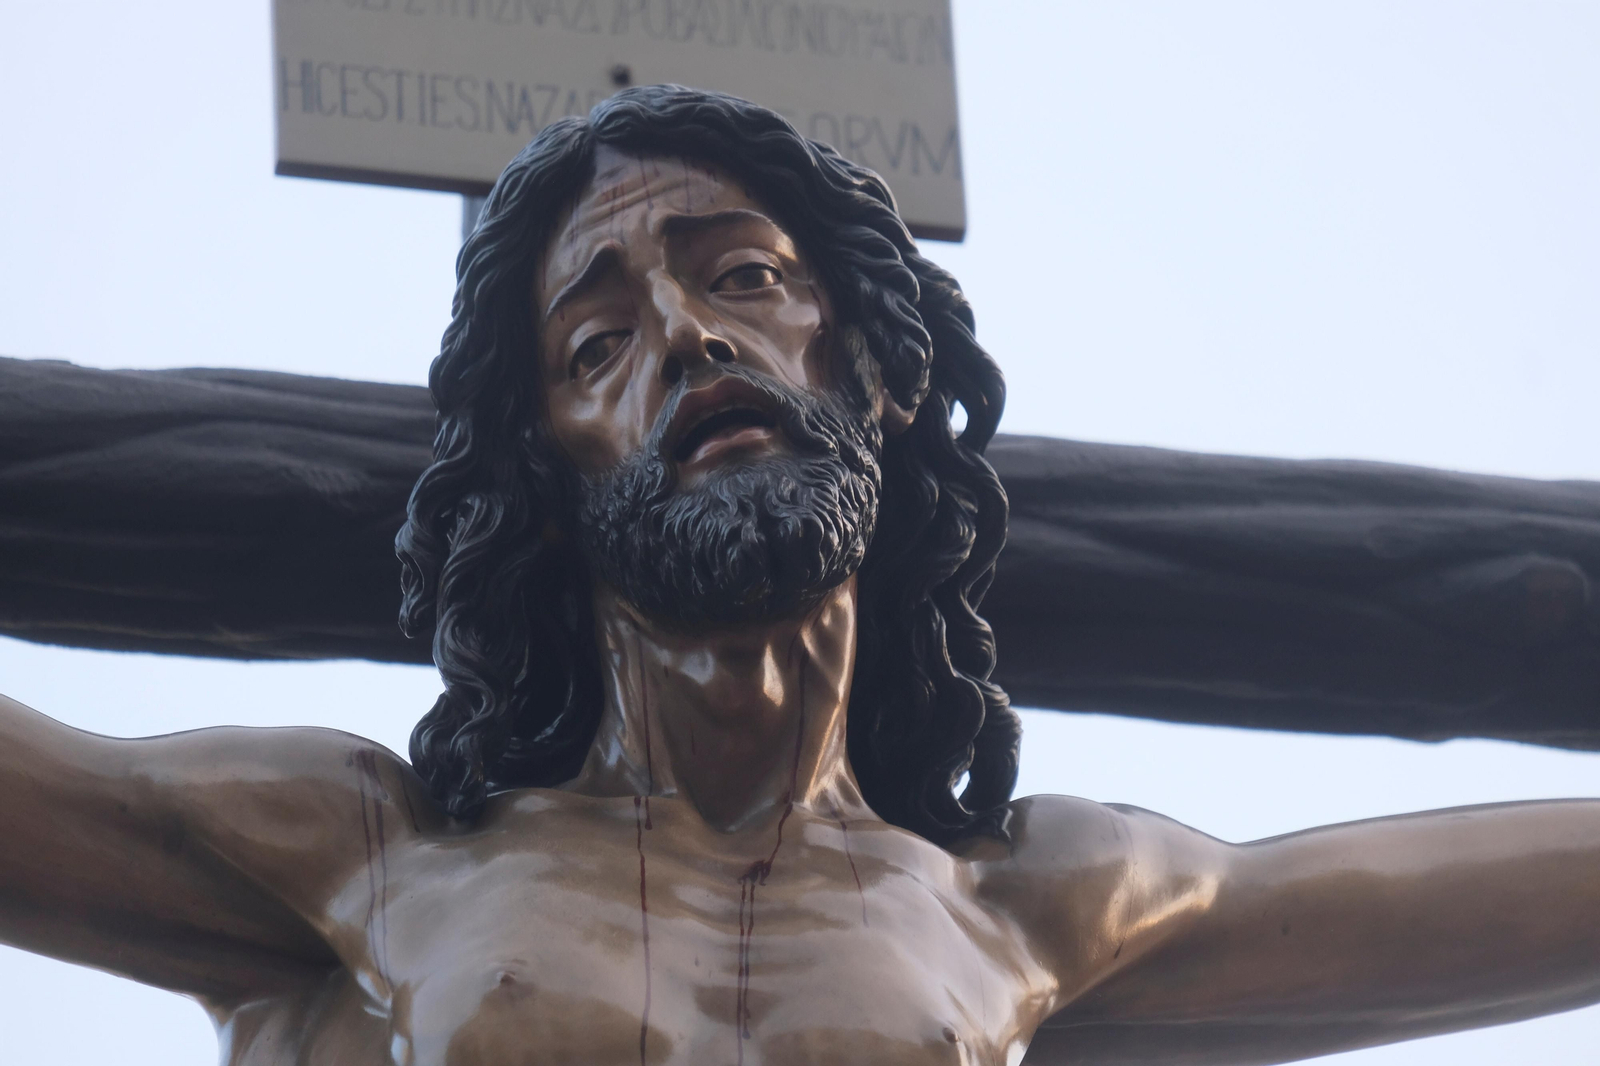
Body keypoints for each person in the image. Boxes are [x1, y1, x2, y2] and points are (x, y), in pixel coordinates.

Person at [2, 85, 1597, 1066]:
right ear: (545, 472)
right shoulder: (359, 862)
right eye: (596, 339)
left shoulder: (1029, 908)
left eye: (745, 277)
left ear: (876, 368)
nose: (689, 338)